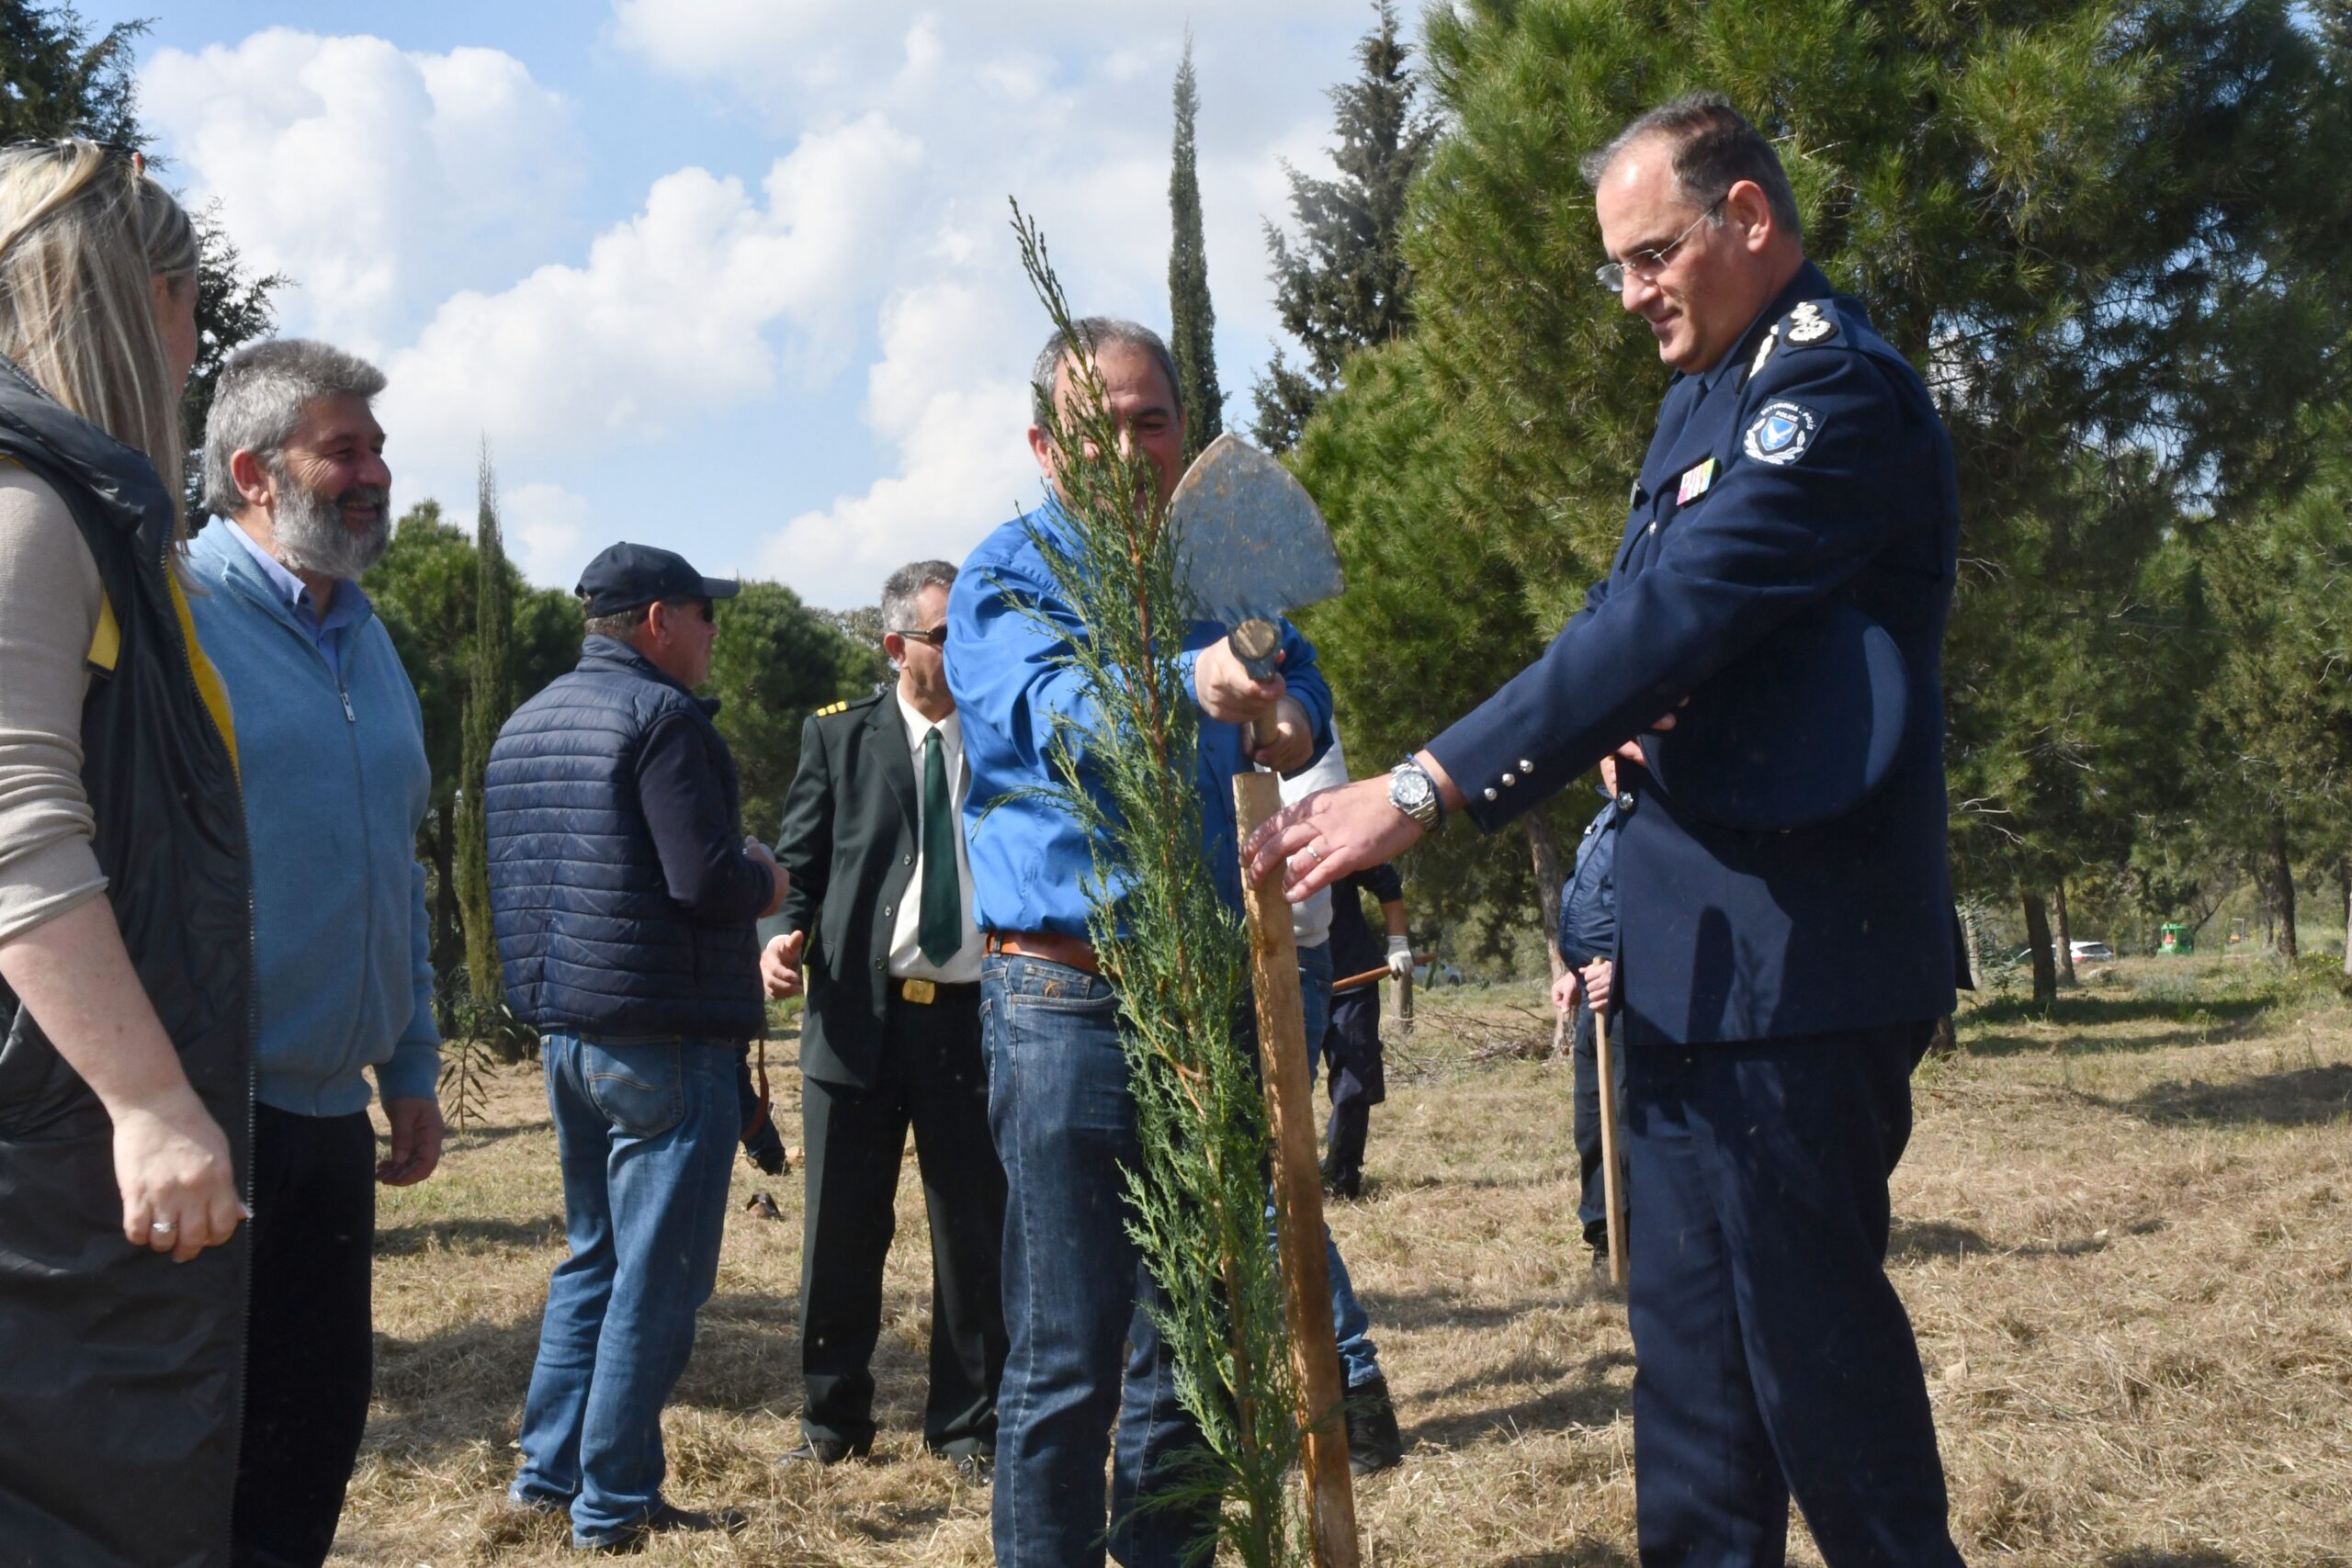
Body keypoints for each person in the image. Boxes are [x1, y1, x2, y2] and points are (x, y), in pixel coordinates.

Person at [1250, 93, 1968, 1566]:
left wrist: (1427, 789)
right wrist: (1473, 752)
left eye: (1651, 255)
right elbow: (1627, 626)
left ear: (1749, 220)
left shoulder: (1832, 396)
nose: (1632, 292)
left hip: (1803, 964)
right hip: (1688, 959)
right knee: (1693, 1388)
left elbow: (1679, 613)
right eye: (1616, 265)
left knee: (1816, 1374)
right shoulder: (1699, 398)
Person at [946, 315, 1331, 1567]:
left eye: (1149, 418)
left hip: (1217, 987)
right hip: (1064, 999)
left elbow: (1294, 681)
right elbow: (1052, 706)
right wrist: (1190, 683)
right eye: (1095, 421)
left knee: (1200, 1341)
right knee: (1067, 1347)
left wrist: (1284, 716)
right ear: (1043, 440)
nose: (1126, 445)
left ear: (1181, 424)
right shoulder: (1005, 576)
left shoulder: (1217, 556)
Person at [0, 139, 252, 1568]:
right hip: (45, 1173)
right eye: (185, 301)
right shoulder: (28, 511)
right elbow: (12, 826)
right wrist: (150, 1097)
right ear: (127, 297)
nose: (197, 342)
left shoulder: (94, 520)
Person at [186, 338, 443, 1566]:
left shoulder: (369, 636)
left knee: (314, 1431)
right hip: (201, 1121)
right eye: (344, 448)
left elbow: (398, 864)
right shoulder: (173, 614)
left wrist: (411, 1060)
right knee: (196, 1451)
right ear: (252, 470)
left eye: (378, 448)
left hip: (328, 1125)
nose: (375, 471)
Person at [486, 542, 787, 1553]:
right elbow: (701, 884)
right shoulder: (662, 720)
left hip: (568, 1036)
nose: (713, 635)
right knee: (656, 1280)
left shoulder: (525, 723)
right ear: (659, 619)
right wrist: (765, 881)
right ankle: (611, 1504)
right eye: (706, 615)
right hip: (663, 1039)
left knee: (593, 1263)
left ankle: (546, 1476)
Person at [761, 558, 1006, 1482]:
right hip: (858, 1019)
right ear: (895, 645)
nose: (959, 649)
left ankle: (967, 1429)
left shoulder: (999, 733)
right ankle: (833, 1423)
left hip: (972, 1019)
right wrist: (781, 938)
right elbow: (802, 861)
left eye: (968, 631)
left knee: (972, 1233)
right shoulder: (839, 738)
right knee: (842, 1231)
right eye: (942, 635)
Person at [1281, 729, 1404, 1474]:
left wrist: (1398, 942)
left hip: (1293, 955)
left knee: (1274, 1189)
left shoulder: (1283, 688)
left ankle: (1352, 1395)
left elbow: (1330, 835)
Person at [1551, 789, 1627, 1274]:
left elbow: (1674, 911)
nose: (1613, 758)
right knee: (1593, 1122)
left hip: (1638, 997)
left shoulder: (1664, 817)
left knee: (1628, 1124)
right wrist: (1573, 973)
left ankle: (1637, 1239)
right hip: (1593, 990)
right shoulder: (1607, 816)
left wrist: (1625, 966)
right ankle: (1603, 1235)